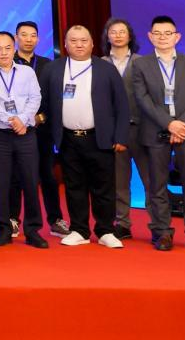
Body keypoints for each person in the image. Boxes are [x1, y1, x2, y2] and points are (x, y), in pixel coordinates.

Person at [39, 25, 129, 248]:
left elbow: (121, 105)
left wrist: (121, 137)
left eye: (83, 40)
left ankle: (105, 230)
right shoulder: (53, 69)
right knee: (73, 186)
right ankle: (79, 230)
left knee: (103, 187)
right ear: (65, 44)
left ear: (92, 43)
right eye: (73, 41)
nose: (79, 45)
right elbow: (43, 102)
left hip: (100, 138)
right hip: (68, 139)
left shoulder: (106, 69)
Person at [132, 16, 185, 253]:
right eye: (157, 33)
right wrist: (169, 124)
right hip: (155, 131)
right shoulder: (141, 64)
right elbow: (143, 100)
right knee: (157, 185)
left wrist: (181, 125)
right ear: (150, 37)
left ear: (177, 37)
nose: (162, 37)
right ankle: (162, 233)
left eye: (167, 33)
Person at [0, 31, 48, 248]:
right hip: (0, 135)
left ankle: (33, 230)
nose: (3, 53)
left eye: (7, 48)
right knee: (1, 183)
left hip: (25, 134)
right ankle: (3, 229)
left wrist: (23, 120)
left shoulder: (27, 72)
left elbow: (35, 97)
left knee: (30, 181)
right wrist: (12, 120)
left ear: (14, 48)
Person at [14, 19, 67, 236]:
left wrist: (41, 117)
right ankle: (12, 219)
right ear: (16, 37)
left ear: (37, 38)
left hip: (42, 128)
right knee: (16, 176)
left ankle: (55, 220)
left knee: (48, 176)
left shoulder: (48, 64)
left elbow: (55, 98)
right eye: (24, 35)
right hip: (16, 128)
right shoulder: (8, 62)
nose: (29, 39)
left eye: (33, 35)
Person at [103, 17, 146, 240]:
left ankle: (159, 226)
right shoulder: (99, 63)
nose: (118, 35)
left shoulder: (143, 62)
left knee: (151, 181)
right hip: (114, 132)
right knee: (119, 182)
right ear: (107, 36)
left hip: (142, 130)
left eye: (122, 31)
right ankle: (122, 223)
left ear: (130, 36)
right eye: (113, 31)